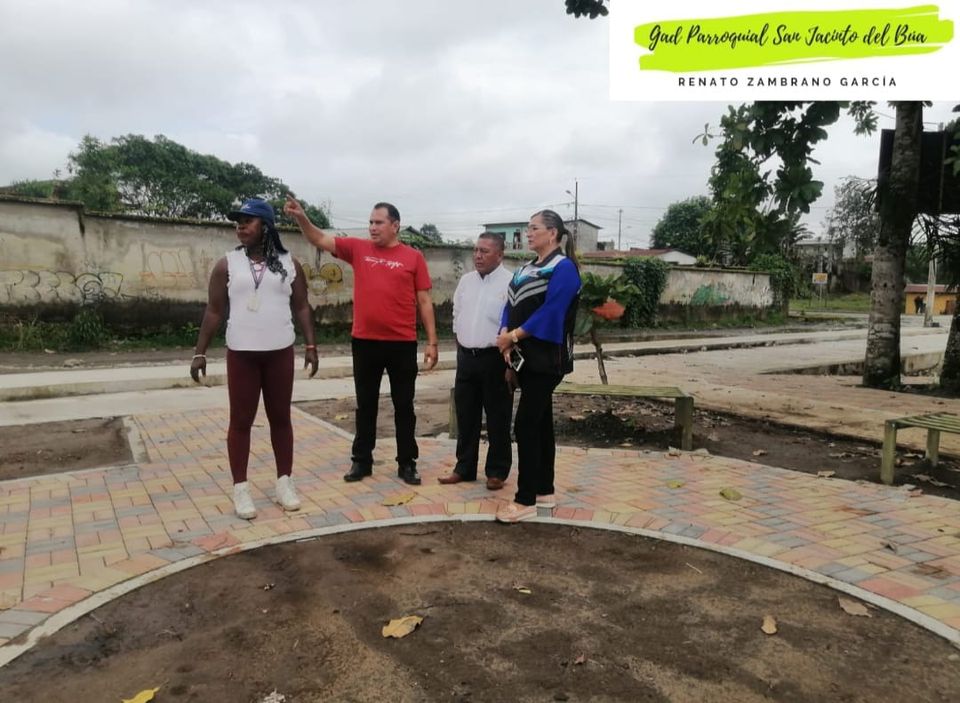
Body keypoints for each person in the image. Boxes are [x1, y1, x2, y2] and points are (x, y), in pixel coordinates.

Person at [284, 196, 438, 485]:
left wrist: (432, 342)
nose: (372, 227)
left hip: (402, 343)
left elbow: (424, 300)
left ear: (395, 226)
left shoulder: (413, 257)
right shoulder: (358, 249)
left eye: (379, 222)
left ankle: (407, 463)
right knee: (365, 404)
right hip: (365, 342)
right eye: (370, 222)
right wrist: (302, 218)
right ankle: (361, 461)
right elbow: (319, 239)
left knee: (404, 406)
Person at [190, 198, 318, 520]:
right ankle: (241, 488)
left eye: (248, 221)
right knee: (240, 422)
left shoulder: (289, 263)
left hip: (279, 353)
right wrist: (200, 352)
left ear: (266, 226)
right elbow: (214, 310)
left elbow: (302, 306)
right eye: (238, 221)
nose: (241, 226)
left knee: (281, 419)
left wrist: (311, 346)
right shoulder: (227, 264)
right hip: (242, 355)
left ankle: (284, 483)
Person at [494, 209, 580, 523]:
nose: (528, 233)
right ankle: (544, 491)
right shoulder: (526, 268)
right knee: (541, 424)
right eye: (527, 228)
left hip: (548, 359)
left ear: (553, 233)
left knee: (525, 425)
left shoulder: (564, 268)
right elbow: (510, 305)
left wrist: (514, 335)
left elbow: (552, 312)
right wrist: (505, 333)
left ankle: (525, 499)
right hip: (524, 358)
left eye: (534, 228)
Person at [438, 232, 514, 490]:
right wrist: (460, 341)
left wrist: (510, 363)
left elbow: (515, 321)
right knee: (466, 415)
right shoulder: (466, 281)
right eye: (476, 250)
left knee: (498, 416)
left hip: (495, 359)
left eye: (484, 251)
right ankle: (464, 467)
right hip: (466, 358)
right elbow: (457, 312)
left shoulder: (511, 283)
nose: (478, 256)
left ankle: (497, 471)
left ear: (499, 255)